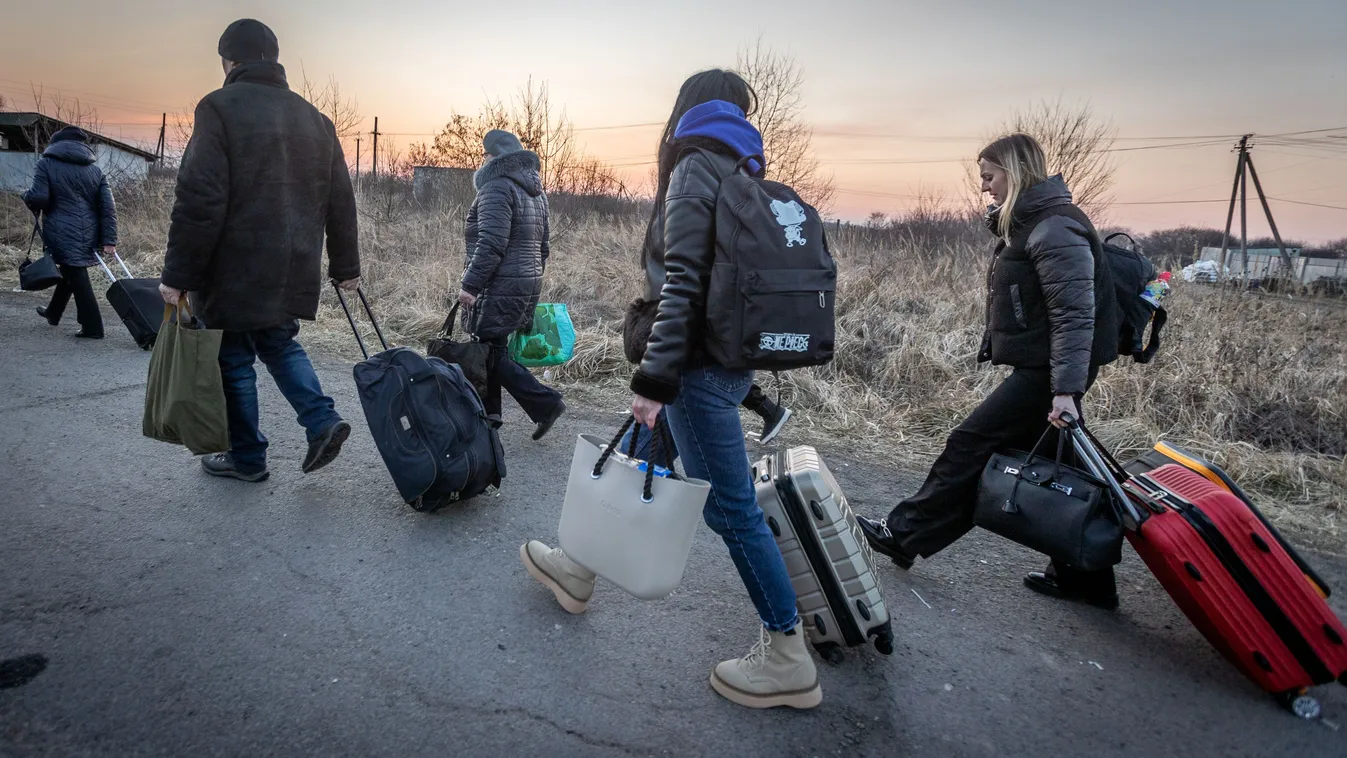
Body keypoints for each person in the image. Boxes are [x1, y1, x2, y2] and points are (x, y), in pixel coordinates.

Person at [520, 70, 821, 711]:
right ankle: (578, 566)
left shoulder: (695, 166)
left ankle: (788, 654)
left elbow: (681, 281)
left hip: (696, 368)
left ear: (685, 109)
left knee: (732, 511)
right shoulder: (743, 171)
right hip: (726, 359)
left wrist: (654, 380)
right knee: (643, 456)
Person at [858, 133, 1122, 609]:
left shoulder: (1055, 228)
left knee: (970, 444)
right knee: (1065, 465)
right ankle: (1087, 580)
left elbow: (1074, 316)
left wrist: (1064, 390)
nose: (984, 188)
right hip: (1047, 370)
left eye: (989, 176)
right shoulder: (1037, 223)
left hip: (1048, 374)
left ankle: (903, 533)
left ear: (1015, 173)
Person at [158, 19, 360, 483]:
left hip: (234, 267)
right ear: (273, 57)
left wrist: (177, 274)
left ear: (229, 60)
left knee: (231, 358)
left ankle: (247, 459)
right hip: (293, 266)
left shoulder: (219, 108)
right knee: (279, 343)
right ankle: (322, 421)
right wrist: (345, 266)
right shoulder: (316, 119)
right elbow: (341, 199)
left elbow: (199, 198)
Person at [457, 129, 566, 440]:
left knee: (490, 351)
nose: (481, 159)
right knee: (491, 346)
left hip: (499, 282)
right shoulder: (537, 192)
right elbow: (543, 246)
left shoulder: (496, 189)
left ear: (494, 157)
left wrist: (471, 285)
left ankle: (546, 404)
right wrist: (530, 281)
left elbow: (491, 244)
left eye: (484, 154)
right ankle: (489, 417)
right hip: (526, 281)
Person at [22, 126, 117, 339]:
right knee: (69, 270)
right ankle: (53, 313)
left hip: (61, 230)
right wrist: (109, 239)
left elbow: (39, 198)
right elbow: (108, 207)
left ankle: (93, 328)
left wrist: (25, 195)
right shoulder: (96, 171)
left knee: (77, 275)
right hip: (89, 232)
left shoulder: (46, 164)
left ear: (56, 144)